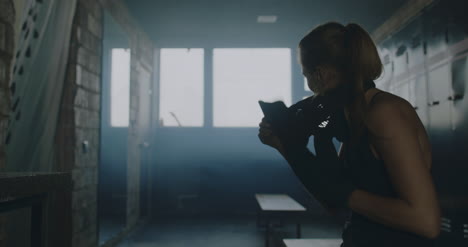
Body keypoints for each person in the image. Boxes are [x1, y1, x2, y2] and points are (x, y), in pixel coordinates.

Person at [258, 22, 440, 247]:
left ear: (321, 74)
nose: (308, 86)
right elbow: (335, 202)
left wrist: (345, 193)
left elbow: (425, 221)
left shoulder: (384, 112)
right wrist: (287, 147)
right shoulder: (355, 115)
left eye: (306, 75)